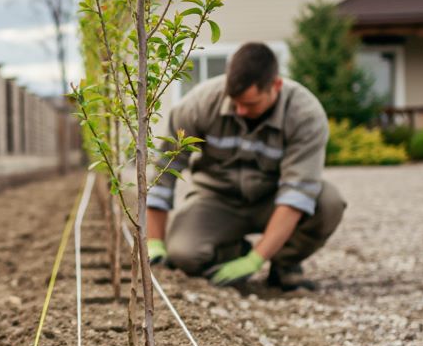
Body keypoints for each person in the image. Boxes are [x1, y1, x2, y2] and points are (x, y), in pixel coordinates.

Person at [146, 42, 345, 290]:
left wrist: (255, 261)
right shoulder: (199, 104)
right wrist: (154, 242)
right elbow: (163, 174)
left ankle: (284, 263)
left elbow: (297, 195)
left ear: (276, 86)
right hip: (216, 199)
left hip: (272, 201)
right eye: (235, 102)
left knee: (327, 202)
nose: (240, 110)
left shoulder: (305, 114)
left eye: (250, 104)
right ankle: (232, 250)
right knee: (183, 254)